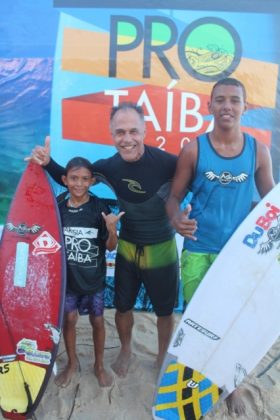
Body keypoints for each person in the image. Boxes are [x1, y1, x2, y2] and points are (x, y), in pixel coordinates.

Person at [26, 102, 197, 378]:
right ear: (111, 133)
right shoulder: (109, 167)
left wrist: (187, 216)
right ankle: (126, 349)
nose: (126, 139)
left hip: (162, 247)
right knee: (123, 306)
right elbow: (74, 178)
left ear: (144, 130)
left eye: (133, 131)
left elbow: (195, 183)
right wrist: (47, 163)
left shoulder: (168, 163)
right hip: (128, 247)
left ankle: (162, 356)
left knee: (166, 311)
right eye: (120, 132)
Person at [166, 77, 275, 416]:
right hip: (199, 249)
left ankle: (231, 385)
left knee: (231, 321)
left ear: (245, 107)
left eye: (235, 100)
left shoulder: (258, 151)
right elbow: (173, 197)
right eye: (221, 100)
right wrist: (175, 220)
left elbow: (271, 203)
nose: (227, 106)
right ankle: (191, 379)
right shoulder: (194, 149)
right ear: (209, 106)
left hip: (238, 255)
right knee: (198, 319)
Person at [54, 156, 124, 388]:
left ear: (92, 181)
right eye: (74, 178)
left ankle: (99, 365)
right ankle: (72, 363)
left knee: (97, 321)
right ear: (64, 180)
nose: (79, 184)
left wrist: (112, 230)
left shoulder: (99, 208)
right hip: (69, 281)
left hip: (94, 280)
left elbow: (110, 247)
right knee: (70, 319)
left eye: (85, 179)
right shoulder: (58, 206)